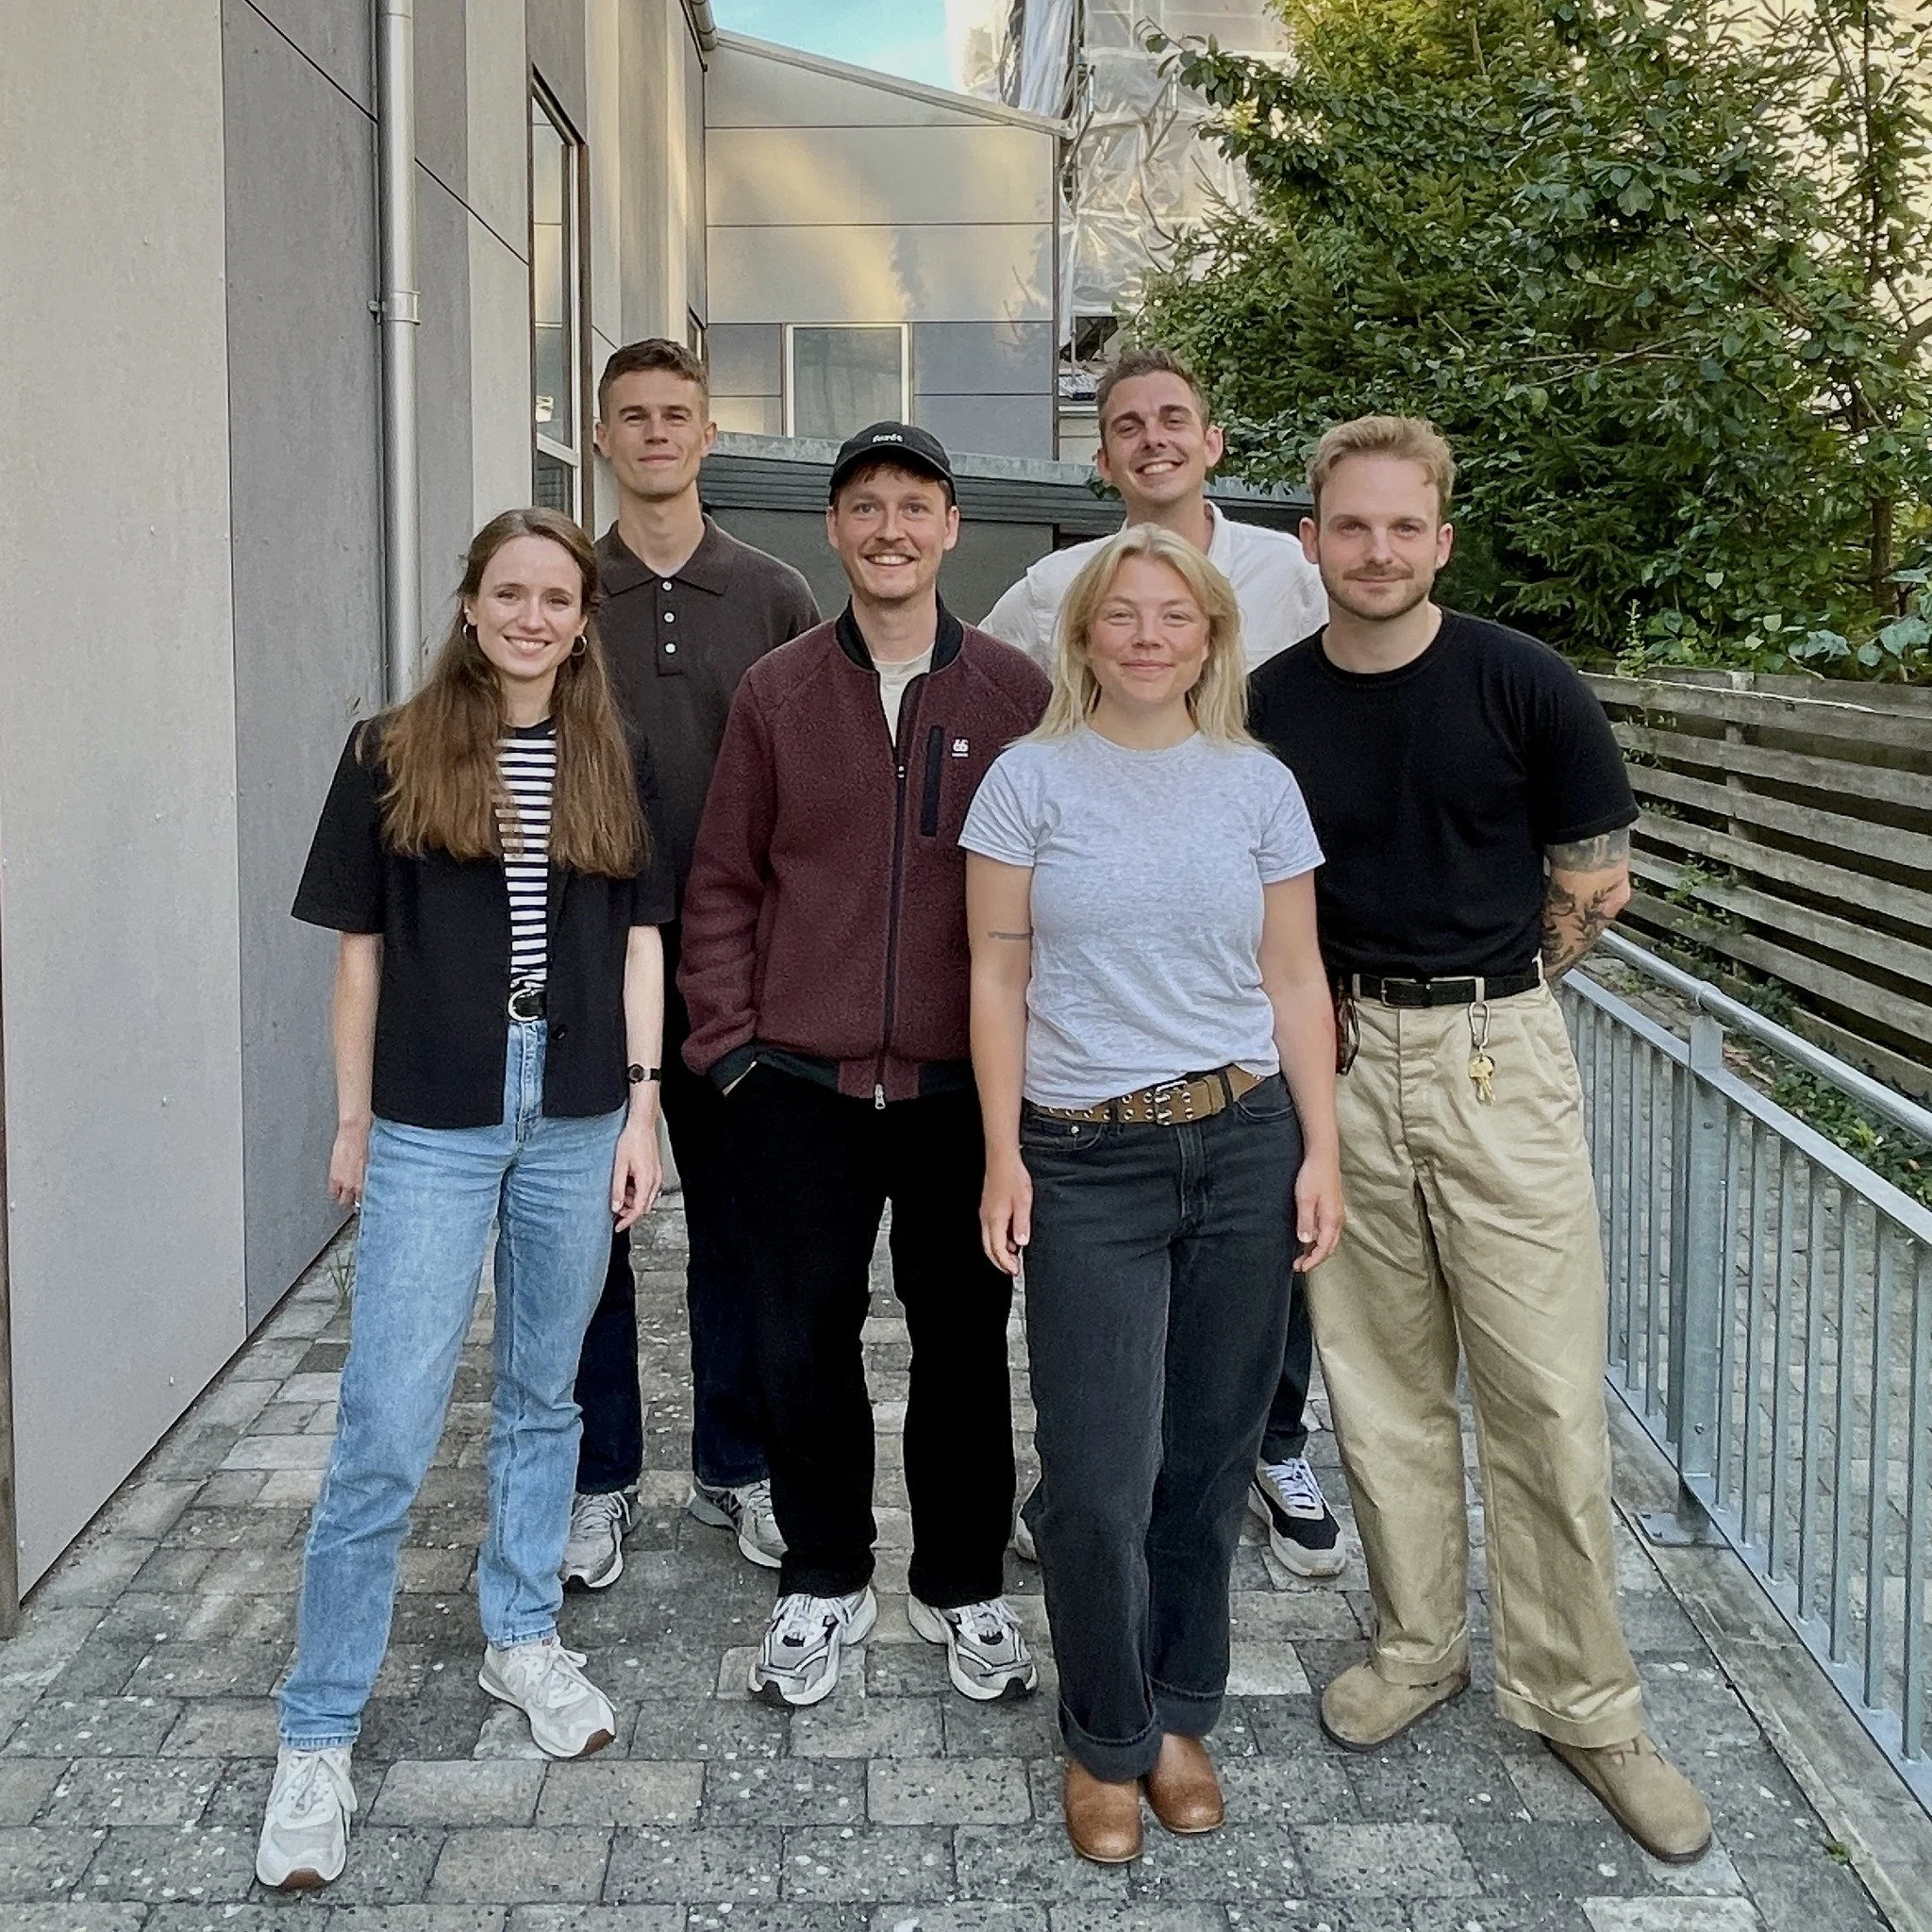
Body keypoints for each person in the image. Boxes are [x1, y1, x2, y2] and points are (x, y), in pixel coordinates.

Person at [1248, 416, 1712, 1864]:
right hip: (1339, 1059)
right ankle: (1416, 1647)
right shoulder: (1264, 705)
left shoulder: (1524, 683)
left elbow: (1595, 880)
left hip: (1498, 1049)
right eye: (1350, 525)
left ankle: (1587, 1703)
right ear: (1311, 539)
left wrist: (1489, 1003)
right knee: (1378, 1384)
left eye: (1404, 526)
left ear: (1442, 541)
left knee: (1546, 1397)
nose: (1376, 551)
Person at [258, 509, 675, 1890]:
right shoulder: (391, 750)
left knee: (545, 1395)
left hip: (576, 1113)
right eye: (510, 593)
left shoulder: (616, 755)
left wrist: (642, 1107)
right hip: (433, 1118)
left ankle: (521, 1634)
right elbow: (359, 957)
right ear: (471, 605)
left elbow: (642, 942)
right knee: (386, 1422)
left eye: (558, 597)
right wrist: (352, 1123)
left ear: (583, 620)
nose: (532, 617)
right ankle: (319, 1730)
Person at [963, 524, 1344, 1865]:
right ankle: (1105, 1732)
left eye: (1173, 616)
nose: (1145, 636)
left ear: (1210, 638)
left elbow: (1295, 979)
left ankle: (1183, 1709)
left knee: (1210, 1458)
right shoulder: (1026, 780)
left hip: (1242, 1144)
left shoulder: (1258, 786)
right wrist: (1002, 1154)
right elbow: (996, 975)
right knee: (1097, 1472)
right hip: (1084, 1158)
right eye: (1120, 614)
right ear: (1082, 634)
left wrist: (1320, 1150)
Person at [678, 422, 1052, 1709]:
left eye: (915, 505)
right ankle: (825, 1573)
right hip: (800, 1089)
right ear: (834, 530)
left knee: (964, 1347)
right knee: (801, 1341)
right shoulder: (778, 691)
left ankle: (960, 1581)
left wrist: (1030, 1077)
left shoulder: (1015, 694)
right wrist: (730, 1053)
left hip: (958, 1091)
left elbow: (1052, 893)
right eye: (867, 507)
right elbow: (723, 883)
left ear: (951, 527)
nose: (891, 528)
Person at [982, 345, 1344, 1579]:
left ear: (1212, 440)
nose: (1153, 439)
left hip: (1255, 897)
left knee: (1259, 1254)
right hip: (1101, 978)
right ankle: (1097, 1472)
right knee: (1107, 1350)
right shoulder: (1053, 586)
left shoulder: (1287, 570)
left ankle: (1267, 1444)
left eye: (1173, 418)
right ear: (1103, 458)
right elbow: (993, 689)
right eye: (1128, 424)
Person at [562, 339, 820, 1591]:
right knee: (583, 1237)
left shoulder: (775, 593)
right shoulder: (562, 589)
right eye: (634, 415)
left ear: (709, 435)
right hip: (585, 961)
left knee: (742, 1231)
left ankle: (739, 1464)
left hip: (736, 970)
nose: (656, 432)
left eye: (677, 414)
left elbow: (815, 781)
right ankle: (596, 1477)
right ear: (601, 437)